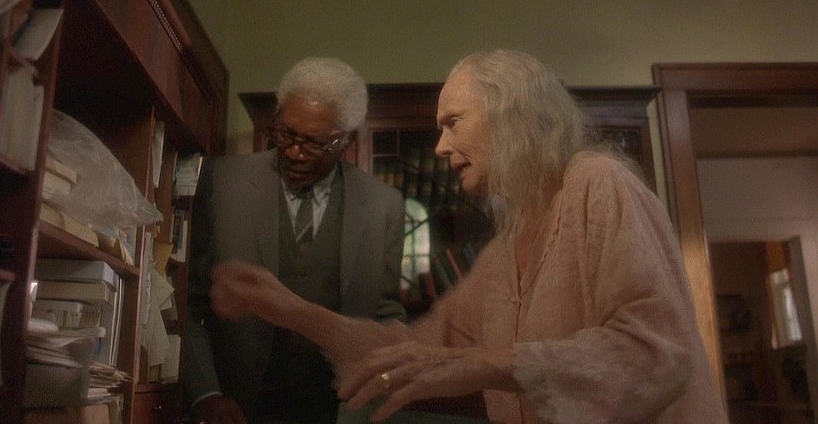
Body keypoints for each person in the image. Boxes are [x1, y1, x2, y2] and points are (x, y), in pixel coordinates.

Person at [207, 49, 729, 423]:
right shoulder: (502, 253)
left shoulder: (598, 182)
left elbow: (657, 353)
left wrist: (482, 363)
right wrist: (287, 309)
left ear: (512, 115)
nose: (439, 146)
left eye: (453, 122)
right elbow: (410, 351)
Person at [183, 57, 407, 424]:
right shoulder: (222, 183)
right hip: (236, 410)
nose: (293, 151)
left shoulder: (384, 206)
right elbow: (189, 304)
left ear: (347, 140)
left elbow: (385, 316)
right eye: (285, 134)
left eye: (314, 143)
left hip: (338, 412)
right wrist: (205, 393)